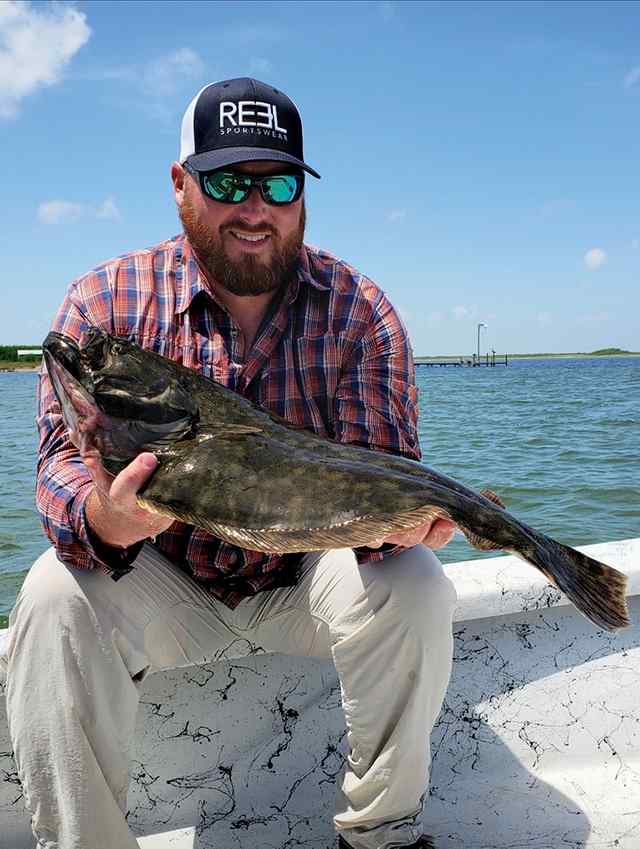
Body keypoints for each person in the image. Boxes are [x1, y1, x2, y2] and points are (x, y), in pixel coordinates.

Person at [5, 78, 457, 849]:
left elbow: (374, 471)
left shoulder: (361, 310)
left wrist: (402, 526)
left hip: (304, 577)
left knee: (414, 584)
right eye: (227, 182)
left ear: (301, 194)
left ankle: (381, 833)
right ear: (181, 185)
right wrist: (104, 516)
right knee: (52, 594)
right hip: (160, 574)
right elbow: (59, 471)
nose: (255, 207)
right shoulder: (104, 300)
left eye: (277, 183)